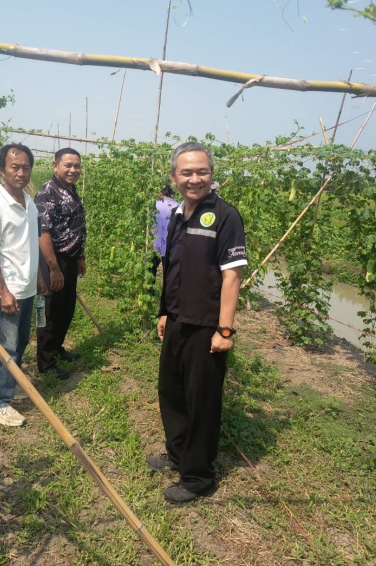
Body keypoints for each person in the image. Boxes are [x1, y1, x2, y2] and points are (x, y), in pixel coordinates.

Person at [147, 141, 248, 503]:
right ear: (174, 176)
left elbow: (232, 277)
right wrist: (164, 311)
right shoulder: (176, 215)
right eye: (186, 172)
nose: (195, 179)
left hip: (206, 325)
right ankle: (177, 454)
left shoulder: (225, 216)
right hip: (177, 319)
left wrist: (225, 330)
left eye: (202, 172)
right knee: (172, 392)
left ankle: (198, 477)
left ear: (211, 174)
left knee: (201, 400)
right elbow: (171, 267)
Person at [0, 143, 47, 427]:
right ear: (1, 170)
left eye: (26, 168)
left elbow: (31, 244)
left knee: (20, 342)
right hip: (6, 292)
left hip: (27, 288)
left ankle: (10, 385)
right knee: (4, 348)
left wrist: (39, 276)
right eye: (14, 167)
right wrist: (4, 291)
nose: (21, 173)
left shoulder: (29, 202)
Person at [34, 148, 86, 380]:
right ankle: (45, 363)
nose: (73, 170)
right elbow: (42, 233)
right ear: (55, 166)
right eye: (68, 165)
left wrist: (80, 257)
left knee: (66, 307)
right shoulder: (47, 193)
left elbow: (75, 226)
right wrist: (54, 269)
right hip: (52, 261)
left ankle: (57, 350)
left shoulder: (71, 190)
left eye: (77, 166)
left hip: (69, 260)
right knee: (50, 311)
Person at [150, 184, 179, 278]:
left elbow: (149, 223)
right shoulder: (177, 206)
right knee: (168, 274)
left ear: (160, 193)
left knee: (150, 271)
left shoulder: (153, 205)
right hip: (171, 245)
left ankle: (150, 287)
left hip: (154, 243)